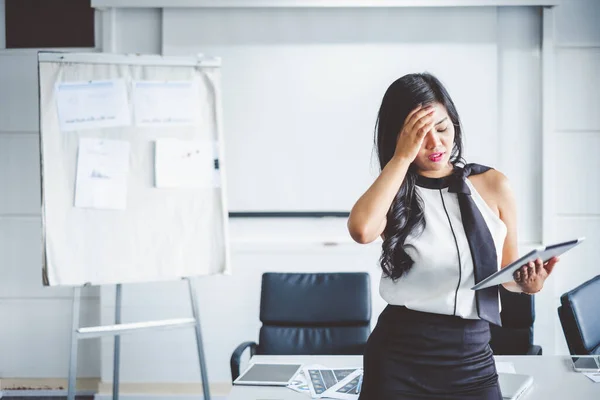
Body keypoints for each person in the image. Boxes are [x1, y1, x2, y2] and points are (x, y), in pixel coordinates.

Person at [347, 73, 560, 399]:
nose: (435, 144)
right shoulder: (394, 193)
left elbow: (507, 273)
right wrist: (402, 158)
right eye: (419, 136)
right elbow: (361, 230)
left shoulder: (493, 185)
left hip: (471, 356)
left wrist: (531, 283)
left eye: (443, 129)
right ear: (400, 139)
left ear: (455, 126)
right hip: (398, 356)